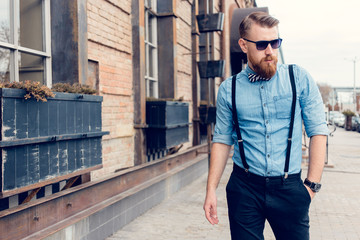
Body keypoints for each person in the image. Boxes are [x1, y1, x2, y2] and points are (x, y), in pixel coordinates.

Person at [203, 12, 328, 240]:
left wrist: (311, 186)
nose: (270, 50)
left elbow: (318, 131)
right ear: (243, 45)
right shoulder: (229, 89)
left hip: (290, 187)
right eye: (262, 44)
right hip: (245, 187)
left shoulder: (297, 78)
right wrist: (211, 189)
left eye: (275, 42)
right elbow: (221, 140)